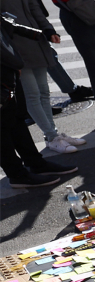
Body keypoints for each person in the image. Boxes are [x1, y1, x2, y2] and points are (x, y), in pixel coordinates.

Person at [0, 0, 86, 153]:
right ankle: (51, 135)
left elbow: (32, 5)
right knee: (32, 94)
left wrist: (47, 29)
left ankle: (53, 134)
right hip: (13, 45)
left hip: (34, 38)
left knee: (43, 92)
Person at [1, 15, 77, 187]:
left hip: (8, 71)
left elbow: (6, 25)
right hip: (5, 70)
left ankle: (36, 164)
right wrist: (15, 63)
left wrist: (36, 33)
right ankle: (17, 175)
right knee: (2, 128)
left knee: (17, 119)